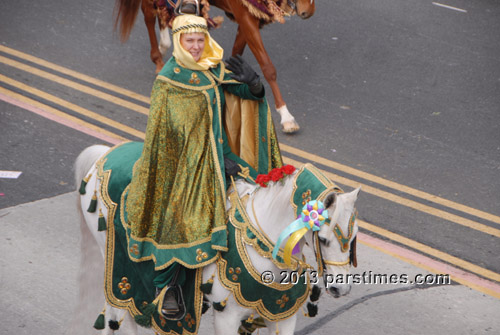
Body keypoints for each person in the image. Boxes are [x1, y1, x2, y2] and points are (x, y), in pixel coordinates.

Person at [124, 13, 282, 319]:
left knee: (263, 193)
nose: (196, 47)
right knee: (181, 215)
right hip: (184, 165)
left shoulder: (212, 67)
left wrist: (254, 84)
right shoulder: (168, 81)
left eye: (200, 40)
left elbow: (244, 96)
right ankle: (168, 287)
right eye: (190, 41)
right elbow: (169, 138)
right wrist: (211, 160)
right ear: (179, 43)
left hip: (221, 158)